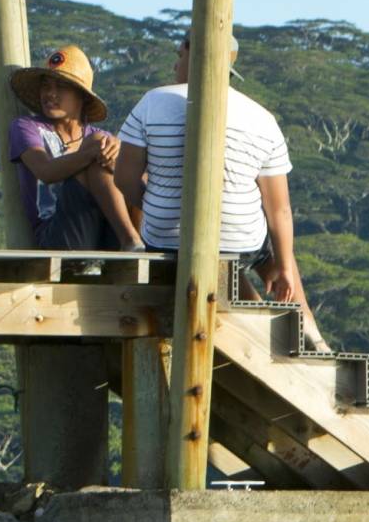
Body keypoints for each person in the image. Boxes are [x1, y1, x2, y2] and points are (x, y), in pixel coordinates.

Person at [112, 39, 316, 345]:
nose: (174, 65)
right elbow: (280, 211)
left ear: (194, 56)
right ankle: (305, 328)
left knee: (222, 243)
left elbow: (125, 179)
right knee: (261, 244)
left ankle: (268, 323)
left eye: (178, 56)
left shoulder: (152, 102)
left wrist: (157, 205)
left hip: (166, 239)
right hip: (240, 244)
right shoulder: (262, 118)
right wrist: (284, 267)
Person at [7, 45, 139, 251]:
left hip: (101, 231)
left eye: (60, 87)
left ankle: (139, 240)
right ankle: (130, 239)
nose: (50, 94)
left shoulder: (98, 138)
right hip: (56, 234)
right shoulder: (26, 127)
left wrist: (118, 155)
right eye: (46, 86)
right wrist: (91, 153)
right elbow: (45, 171)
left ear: (82, 96)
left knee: (127, 163)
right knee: (98, 145)